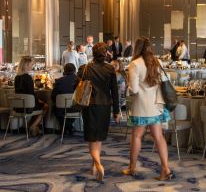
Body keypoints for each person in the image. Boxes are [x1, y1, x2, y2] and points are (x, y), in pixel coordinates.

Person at [124, 36, 171, 181]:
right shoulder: (157, 61)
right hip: (156, 105)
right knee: (158, 137)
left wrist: (129, 89)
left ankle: (132, 167)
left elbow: (135, 90)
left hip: (141, 106)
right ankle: (165, 168)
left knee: (137, 136)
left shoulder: (135, 64)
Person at [73, 43, 119, 182]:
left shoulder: (85, 68)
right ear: (105, 54)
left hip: (90, 105)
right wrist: (116, 111)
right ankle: (94, 164)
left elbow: (74, 85)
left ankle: (98, 165)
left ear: (92, 53)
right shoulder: (110, 69)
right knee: (99, 136)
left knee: (92, 136)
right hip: (105, 106)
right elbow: (115, 92)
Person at [15, 57, 49, 136]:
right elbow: (31, 94)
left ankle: (35, 127)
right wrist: (38, 101)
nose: (32, 65)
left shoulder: (16, 78)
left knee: (39, 105)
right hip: (27, 105)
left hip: (18, 106)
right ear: (26, 66)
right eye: (31, 64)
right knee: (46, 106)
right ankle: (34, 125)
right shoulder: (28, 78)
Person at [51, 63, 78, 135]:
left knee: (55, 109)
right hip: (76, 107)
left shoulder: (59, 81)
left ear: (64, 72)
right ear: (75, 70)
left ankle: (67, 127)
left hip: (62, 108)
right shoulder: (80, 80)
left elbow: (53, 97)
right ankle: (69, 127)